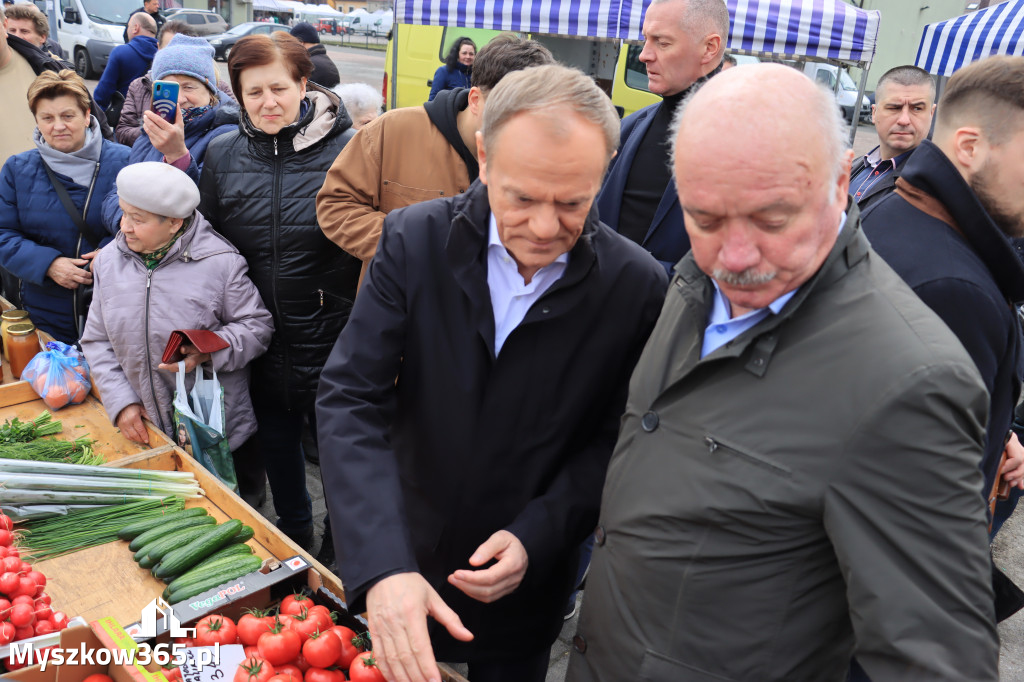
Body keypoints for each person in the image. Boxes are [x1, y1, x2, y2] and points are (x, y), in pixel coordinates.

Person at [565, 63, 999, 682]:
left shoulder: (909, 380)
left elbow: (936, 660)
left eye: (773, 220)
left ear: (842, 182)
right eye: (706, 218)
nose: (734, 258)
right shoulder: (693, 279)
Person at [316, 64, 667, 682]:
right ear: (483, 156)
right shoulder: (415, 238)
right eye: (522, 197)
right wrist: (381, 562)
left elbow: (619, 439)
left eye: (573, 203)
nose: (542, 227)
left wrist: (540, 532)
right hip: (403, 556)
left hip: (524, 592)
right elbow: (350, 399)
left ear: (604, 172)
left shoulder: (635, 284)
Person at [198, 32, 359, 551]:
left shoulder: (351, 149)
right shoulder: (222, 154)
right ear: (237, 95)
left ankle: (340, 550)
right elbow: (208, 238)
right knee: (277, 448)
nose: (268, 102)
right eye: (253, 93)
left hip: (334, 334)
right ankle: (293, 542)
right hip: (259, 338)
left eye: (278, 89)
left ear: (303, 83)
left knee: (341, 457)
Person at [861, 56, 1024, 535]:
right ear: (970, 147)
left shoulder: (895, 205)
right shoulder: (954, 291)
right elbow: (919, 508)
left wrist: (1000, 433)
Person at [81, 162, 273, 504]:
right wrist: (121, 402)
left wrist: (210, 350)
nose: (125, 227)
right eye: (124, 214)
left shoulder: (220, 262)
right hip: (147, 429)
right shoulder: (109, 262)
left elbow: (257, 327)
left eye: (138, 219)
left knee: (238, 520)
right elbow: (96, 340)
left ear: (174, 223)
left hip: (215, 433)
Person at [317, 35, 553, 284]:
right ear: (475, 100)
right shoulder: (392, 131)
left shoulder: (544, 156)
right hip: (402, 313)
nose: (523, 126)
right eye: (512, 110)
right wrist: (418, 247)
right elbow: (335, 206)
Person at [596, 0, 729, 273]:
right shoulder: (628, 129)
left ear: (709, 48)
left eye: (662, 42)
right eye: (645, 39)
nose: (644, 54)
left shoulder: (745, 143)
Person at [0, 70, 129, 344]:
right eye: (47, 118)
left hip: (113, 308)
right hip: (42, 313)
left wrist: (110, 252)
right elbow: (3, 234)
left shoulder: (125, 162)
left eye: (67, 116)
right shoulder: (16, 169)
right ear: (37, 120)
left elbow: (143, 224)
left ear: (86, 116)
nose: (58, 126)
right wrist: (49, 264)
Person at [101, 33, 238, 232]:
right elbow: (115, 196)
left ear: (210, 92)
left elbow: (204, 211)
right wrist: (126, 231)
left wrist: (177, 155)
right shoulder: (147, 136)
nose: (180, 99)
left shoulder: (226, 138)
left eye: (189, 86)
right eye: (169, 89)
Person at [850, 65, 936, 211]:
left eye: (917, 108)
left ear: (931, 113)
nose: (904, 120)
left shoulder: (935, 185)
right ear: (874, 113)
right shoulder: (854, 167)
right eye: (894, 108)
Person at [116, 21, 214, 147]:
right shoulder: (138, 86)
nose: (179, 99)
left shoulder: (212, 84)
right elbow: (123, 130)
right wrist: (152, 131)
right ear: (159, 47)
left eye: (188, 87)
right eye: (170, 48)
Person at [94, 12, 158, 112]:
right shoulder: (162, 55)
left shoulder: (120, 52)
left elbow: (104, 91)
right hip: (153, 119)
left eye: (128, 26)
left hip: (124, 118)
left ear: (135, 28)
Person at [289, 22, 339, 88]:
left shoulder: (310, 65)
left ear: (300, 43)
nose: (291, 48)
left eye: (293, 44)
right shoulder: (322, 60)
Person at [428, 37, 474, 101]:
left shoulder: (476, 75)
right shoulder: (443, 71)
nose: (468, 56)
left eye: (471, 54)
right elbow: (432, 100)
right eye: (464, 53)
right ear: (457, 54)